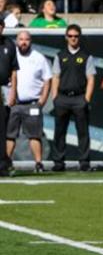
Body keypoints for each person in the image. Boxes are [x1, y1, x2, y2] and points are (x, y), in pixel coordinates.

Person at [51, 24, 97, 172]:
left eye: (76, 36)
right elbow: (55, 77)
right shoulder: (60, 56)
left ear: (79, 37)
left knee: (83, 132)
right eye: (70, 36)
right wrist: (55, 97)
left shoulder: (86, 57)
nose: (73, 39)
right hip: (62, 98)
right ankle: (58, 161)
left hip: (79, 98)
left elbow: (91, 79)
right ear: (66, 37)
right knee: (59, 132)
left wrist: (86, 99)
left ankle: (84, 162)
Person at [6, 31, 51, 173]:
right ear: (16, 41)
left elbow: (47, 79)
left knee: (34, 135)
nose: (23, 42)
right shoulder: (11, 56)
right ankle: (6, 163)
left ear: (31, 41)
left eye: (26, 39)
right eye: (21, 39)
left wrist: (42, 100)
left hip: (32, 103)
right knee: (10, 135)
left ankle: (38, 163)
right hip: (14, 103)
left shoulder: (39, 58)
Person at [0, 19, 18, 177]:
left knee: (3, 128)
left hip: (3, 88)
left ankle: (2, 164)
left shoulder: (9, 44)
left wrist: (13, 92)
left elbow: (14, 70)